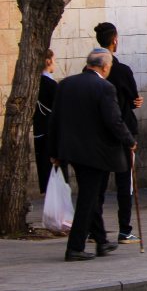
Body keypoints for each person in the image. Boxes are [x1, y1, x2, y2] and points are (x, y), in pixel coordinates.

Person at [48, 49, 136, 261]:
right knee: (88, 199)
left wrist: (54, 150)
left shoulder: (66, 84)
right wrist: (129, 140)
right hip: (95, 152)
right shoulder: (104, 87)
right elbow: (114, 120)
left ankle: (101, 240)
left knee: (92, 194)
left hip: (72, 150)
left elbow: (55, 118)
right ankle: (75, 247)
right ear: (104, 67)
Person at [94, 23, 144, 243]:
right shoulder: (122, 70)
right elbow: (133, 100)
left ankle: (93, 228)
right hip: (122, 130)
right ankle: (124, 229)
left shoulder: (91, 71)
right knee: (125, 182)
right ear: (114, 39)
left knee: (98, 184)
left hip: (99, 133)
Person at [33, 48, 59, 194]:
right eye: (54, 60)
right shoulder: (50, 85)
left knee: (45, 171)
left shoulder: (35, 82)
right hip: (50, 133)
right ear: (48, 61)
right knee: (54, 173)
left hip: (39, 131)